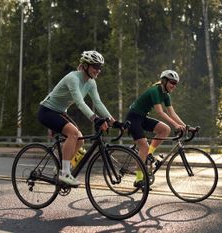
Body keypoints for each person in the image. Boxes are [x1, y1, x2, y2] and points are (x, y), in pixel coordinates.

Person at [38, 50, 122, 186]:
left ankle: (60, 167)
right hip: (47, 111)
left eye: (100, 67)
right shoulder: (73, 78)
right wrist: (95, 119)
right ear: (85, 66)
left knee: (80, 140)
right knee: (73, 133)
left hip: (60, 112)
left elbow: (98, 103)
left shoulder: (91, 83)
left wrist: (114, 122)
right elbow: (79, 102)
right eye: (95, 66)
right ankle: (65, 173)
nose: (98, 70)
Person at [126, 70, 186, 184]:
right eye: (172, 82)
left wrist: (185, 126)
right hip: (133, 117)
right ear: (164, 81)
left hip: (142, 117)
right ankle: (138, 178)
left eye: (175, 84)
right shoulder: (155, 90)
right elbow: (160, 112)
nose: (174, 86)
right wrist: (176, 125)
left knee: (165, 130)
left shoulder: (166, 95)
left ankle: (149, 153)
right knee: (143, 146)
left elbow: (173, 114)